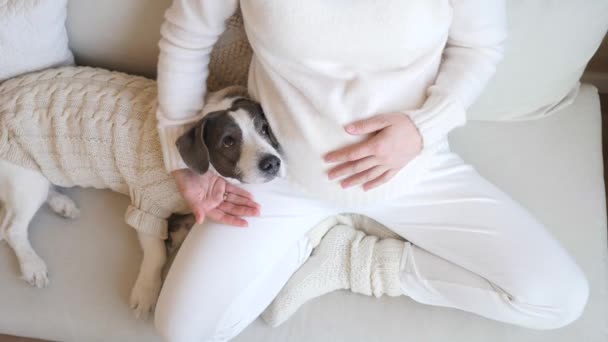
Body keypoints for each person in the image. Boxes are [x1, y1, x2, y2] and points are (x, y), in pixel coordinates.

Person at [153, 1, 589, 341]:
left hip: (414, 168)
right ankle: (311, 234)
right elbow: (187, 36)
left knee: (559, 299)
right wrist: (183, 164)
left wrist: (423, 128)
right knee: (182, 330)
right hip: (282, 176)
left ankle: (352, 260)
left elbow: (480, 47)